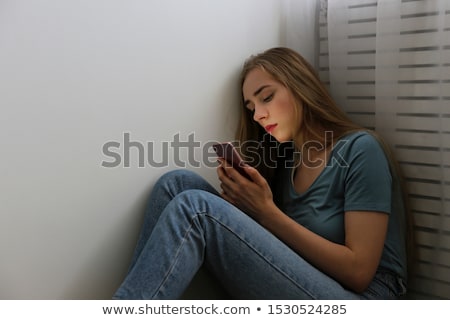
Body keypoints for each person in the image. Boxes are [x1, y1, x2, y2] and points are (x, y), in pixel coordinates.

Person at [113, 47, 412, 299]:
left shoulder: (361, 149)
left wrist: (267, 214)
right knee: (175, 184)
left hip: (365, 298)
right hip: (311, 283)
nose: (257, 115)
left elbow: (359, 273)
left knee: (196, 209)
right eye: (251, 106)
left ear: (300, 87)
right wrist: (244, 211)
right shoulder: (285, 161)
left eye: (266, 97)